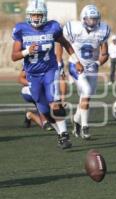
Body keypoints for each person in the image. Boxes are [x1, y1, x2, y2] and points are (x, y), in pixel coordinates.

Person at [11, 0, 84, 149]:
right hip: (32, 74)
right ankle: (60, 133)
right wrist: (26, 51)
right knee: (44, 110)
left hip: (50, 70)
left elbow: (65, 43)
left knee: (55, 103)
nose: (36, 17)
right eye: (34, 14)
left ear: (44, 15)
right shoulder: (21, 29)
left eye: (39, 14)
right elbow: (14, 56)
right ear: (28, 15)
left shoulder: (53, 27)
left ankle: (64, 134)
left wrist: (76, 60)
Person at [63, 4, 110, 139]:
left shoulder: (102, 30)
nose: (92, 22)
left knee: (85, 97)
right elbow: (62, 43)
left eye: (95, 19)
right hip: (76, 65)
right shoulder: (73, 28)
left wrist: (97, 63)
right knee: (87, 91)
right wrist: (61, 61)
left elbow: (105, 54)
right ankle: (85, 126)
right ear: (83, 19)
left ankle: (76, 121)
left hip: (91, 67)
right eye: (89, 19)